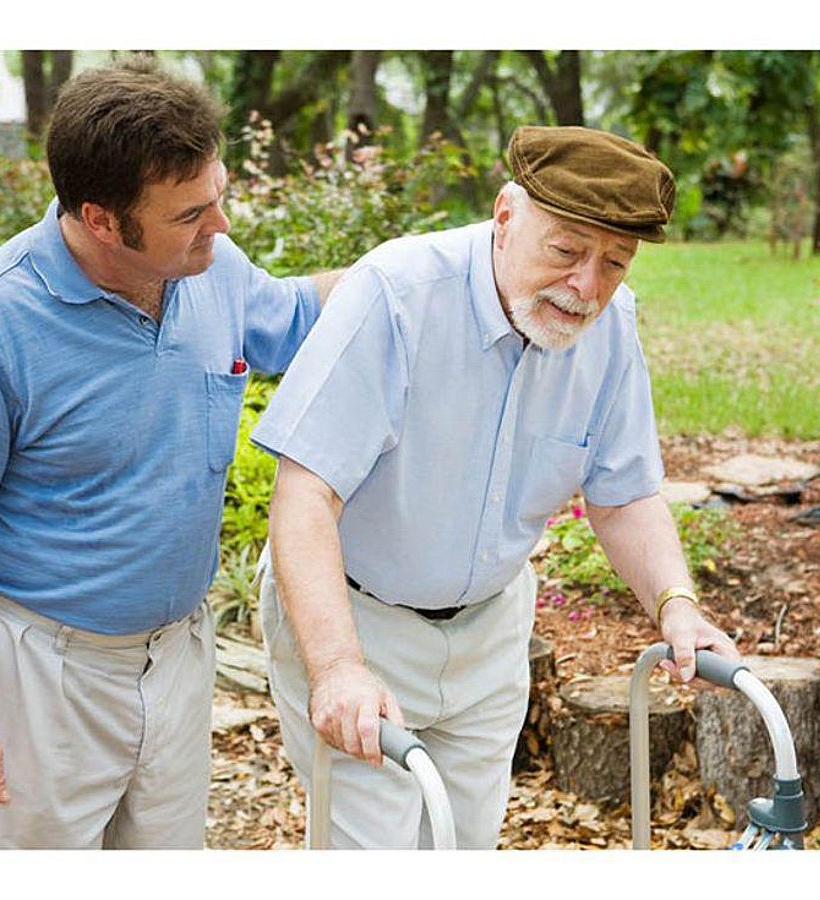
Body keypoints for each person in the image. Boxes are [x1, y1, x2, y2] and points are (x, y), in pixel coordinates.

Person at [0, 57, 341, 849]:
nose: (222, 227)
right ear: (102, 220)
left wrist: (432, 273)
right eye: (191, 214)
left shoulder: (214, 269)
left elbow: (304, 315)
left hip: (178, 657)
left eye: (220, 196)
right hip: (43, 676)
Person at [251, 125, 740, 849]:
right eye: (568, 251)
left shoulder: (611, 324)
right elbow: (302, 497)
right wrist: (338, 669)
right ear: (505, 215)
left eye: (616, 262)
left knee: (463, 852)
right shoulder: (397, 294)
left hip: (489, 633)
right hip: (359, 623)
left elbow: (624, 492)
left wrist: (678, 605)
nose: (588, 287)